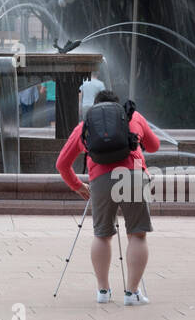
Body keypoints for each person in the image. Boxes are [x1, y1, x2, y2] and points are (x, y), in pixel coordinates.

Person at [55, 89, 160, 305]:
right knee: (137, 234)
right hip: (133, 173)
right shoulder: (133, 116)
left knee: (102, 234)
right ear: (117, 106)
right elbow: (154, 146)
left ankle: (103, 291)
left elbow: (62, 164)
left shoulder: (85, 126)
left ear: (95, 108)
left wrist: (77, 186)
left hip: (100, 177)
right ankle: (132, 293)